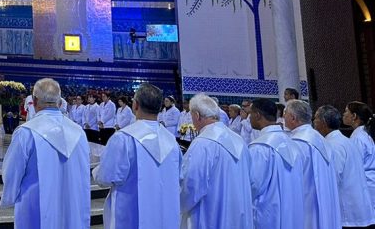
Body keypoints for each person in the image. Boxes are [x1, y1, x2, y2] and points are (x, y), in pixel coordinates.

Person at [1, 77, 89, 228]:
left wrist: (10, 195)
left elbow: (11, 173)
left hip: (35, 207)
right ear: (60, 103)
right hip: (71, 208)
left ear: (34, 102)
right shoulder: (78, 132)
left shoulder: (26, 133)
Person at [93, 83, 180, 229]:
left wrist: (97, 171)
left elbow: (106, 177)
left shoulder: (123, 138)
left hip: (129, 215)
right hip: (163, 214)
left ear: (135, 105)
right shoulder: (171, 141)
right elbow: (179, 176)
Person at [179, 93, 252, 228]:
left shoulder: (203, 144)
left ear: (196, 115)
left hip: (210, 215)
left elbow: (191, 185)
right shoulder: (238, 140)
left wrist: (177, 203)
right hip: (237, 214)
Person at [314, 105, 375, 228]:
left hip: (349, 212)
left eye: (316, 119)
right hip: (358, 204)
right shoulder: (345, 140)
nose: (313, 122)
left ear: (324, 122)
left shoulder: (334, 145)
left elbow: (333, 178)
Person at [248, 97, 304, 229]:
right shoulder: (291, 142)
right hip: (291, 211)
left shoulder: (260, 147)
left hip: (268, 213)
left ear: (257, 115)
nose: (248, 118)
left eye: (250, 114)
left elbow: (252, 185)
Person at [285, 99, 341, 229]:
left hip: (305, 204)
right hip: (326, 202)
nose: (283, 117)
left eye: (285, 113)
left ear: (293, 118)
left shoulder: (297, 142)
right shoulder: (320, 139)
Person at [344, 102, 375, 218]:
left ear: (354, 116)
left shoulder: (358, 137)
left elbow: (355, 166)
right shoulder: (364, 133)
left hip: (367, 185)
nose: (343, 114)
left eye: (346, 111)